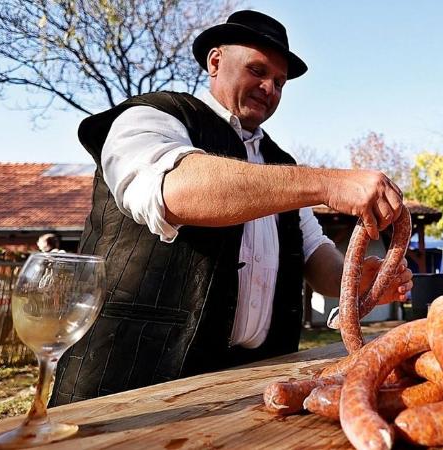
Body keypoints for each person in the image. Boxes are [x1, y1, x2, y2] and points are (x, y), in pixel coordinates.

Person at [50, 10, 412, 405]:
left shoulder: (282, 163)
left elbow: (312, 252)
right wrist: (328, 182)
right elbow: (175, 190)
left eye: (279, 82)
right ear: (215, 61)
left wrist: (360, 279)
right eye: (258, 70)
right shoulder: (151, 117)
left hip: (250, 382)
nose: (269, 88)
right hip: (131, 380)